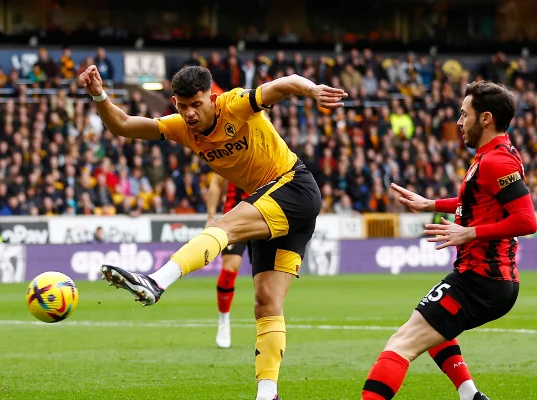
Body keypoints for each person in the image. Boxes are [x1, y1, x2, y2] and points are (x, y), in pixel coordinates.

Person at [79, 64, 347, 400]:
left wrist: (313, 90)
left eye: (196, 104)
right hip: (273, 203)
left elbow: (286, 83)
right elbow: (123, 125)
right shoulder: (182, 128)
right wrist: (99, 95)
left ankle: (157, 281)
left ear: (211, 98)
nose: (189, 114)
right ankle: (268, 394)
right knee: (266, 304)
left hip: (292, 186)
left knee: (223, 227)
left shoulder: (235, 104)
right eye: (181, 106)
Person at [361, 81, 537, 400]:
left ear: (485, 118)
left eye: (463, 114)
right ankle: (470, 395)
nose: (458, 122)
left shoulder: (498, 161)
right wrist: (430, 204)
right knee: (433, 327)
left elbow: (527, 220)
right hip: (485, 277)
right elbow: (476, 201)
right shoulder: (495, 154)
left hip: (482, 279)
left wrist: (469, 232)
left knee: (400, 344)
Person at [206, 174, 251, 349]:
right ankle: (224, 320)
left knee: (268, 283)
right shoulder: (231, 150)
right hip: (235, 218)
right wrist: (211, 217)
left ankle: (271, 328)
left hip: (265, 217)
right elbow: (216, 183)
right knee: (229, 271)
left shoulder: (271, 151)